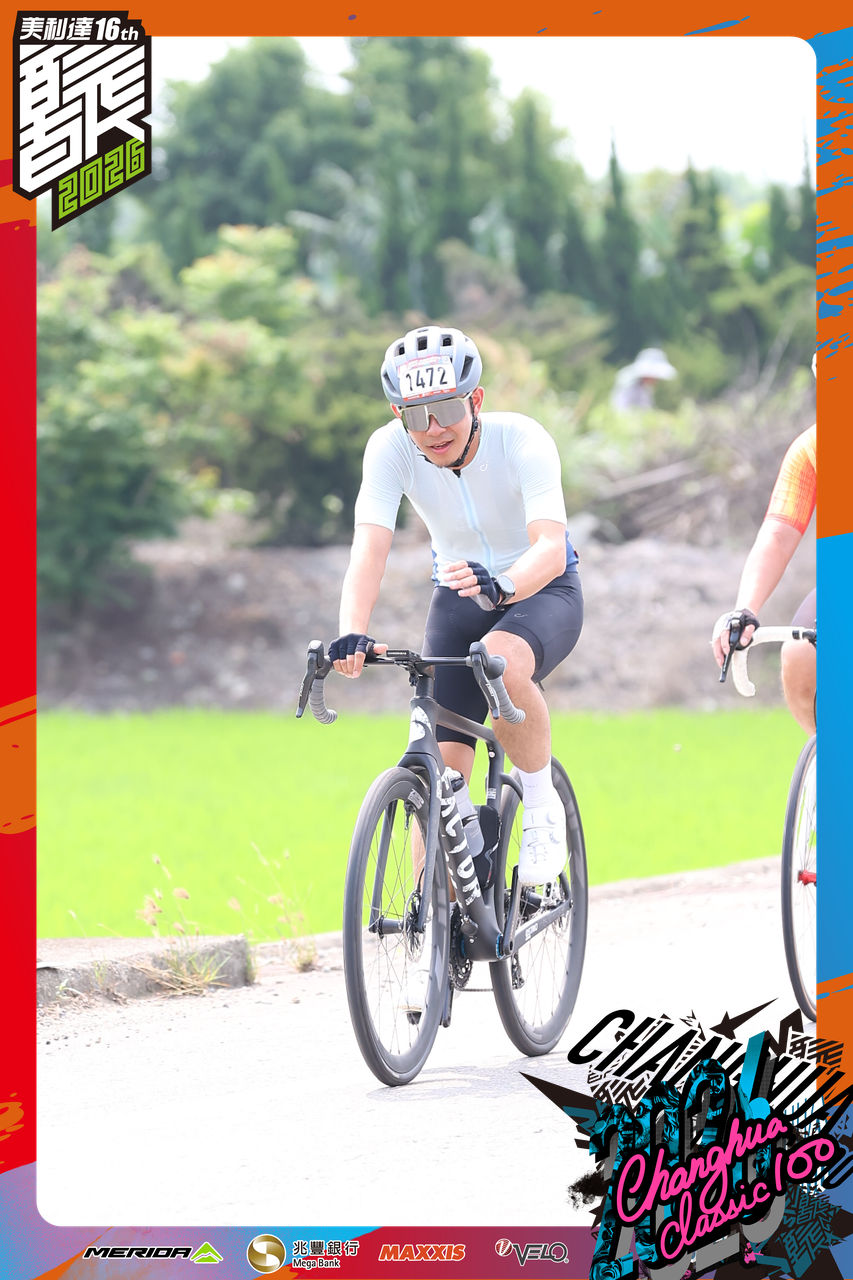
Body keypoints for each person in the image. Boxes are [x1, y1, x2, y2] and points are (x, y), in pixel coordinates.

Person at [328, 324, 583, 887]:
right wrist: (351, 630)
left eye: (446, 409)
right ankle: (433, 914)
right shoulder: (389, 449)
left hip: (541, 588)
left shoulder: (522, 439)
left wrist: (505, 586)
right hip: (459, 595)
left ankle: (542, 808)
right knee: (441, 774)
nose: (434, 429)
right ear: (398, 415)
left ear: (476, 399)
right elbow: (369, 549)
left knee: (500, 661)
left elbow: (550, 544)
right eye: (416, 415)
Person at [711, 360, 816, 734]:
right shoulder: (812, 446)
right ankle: (827, 757)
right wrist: (745, 608)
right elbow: (779, 532)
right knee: (800, 654)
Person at [610, 347, 677, 411]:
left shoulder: (645, 388)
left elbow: (646, 408)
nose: (656, 380)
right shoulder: (629, 385)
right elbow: (621, 408)